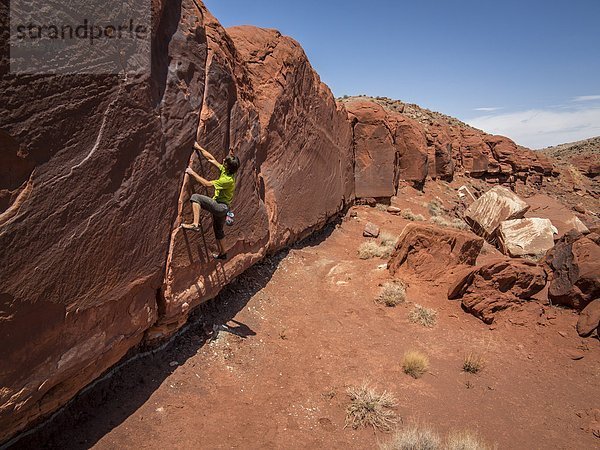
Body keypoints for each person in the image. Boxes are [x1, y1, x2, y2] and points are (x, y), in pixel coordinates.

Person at [181, 142, 239, 260]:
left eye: (225, 162)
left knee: (196, 198)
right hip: (224, 209)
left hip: (220, 207)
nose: (222, 160)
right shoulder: (229, 171)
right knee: (218, 231)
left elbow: (206, 184)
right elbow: (211, 159)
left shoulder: (227, 180)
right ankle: (223, 253)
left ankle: (195, 224)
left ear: (227, 166)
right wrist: (198, 147)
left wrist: (192, 173)